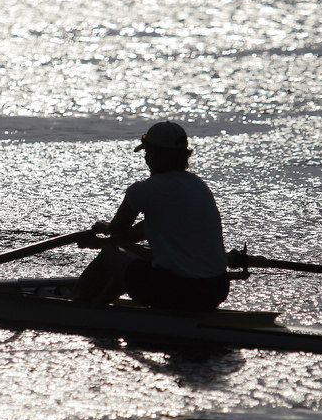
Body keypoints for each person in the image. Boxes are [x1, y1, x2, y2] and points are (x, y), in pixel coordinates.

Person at [69, 121, 229, 310]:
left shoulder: (143, 190)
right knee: (136, 252)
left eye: (147, 152)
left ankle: (76, 306)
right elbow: (144, 229)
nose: (146, 158)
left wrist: (104, 232)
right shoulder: (199, 186)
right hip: (217, 289)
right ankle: (102, 304)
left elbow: (116, 231)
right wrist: (103, 241)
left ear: (154, 155)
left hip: (178, 292)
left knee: (110, 254)